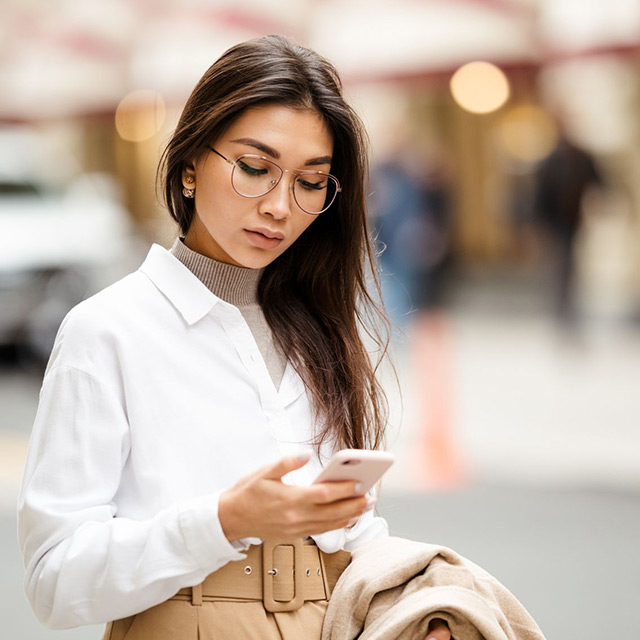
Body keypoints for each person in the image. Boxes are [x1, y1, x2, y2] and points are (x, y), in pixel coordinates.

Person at [17, 36, 451, 640]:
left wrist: (413, 612)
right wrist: (222, 522)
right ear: (191, 164)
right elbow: (54, 582)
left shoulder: (319, 328)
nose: (279, 206)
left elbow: (353, 538)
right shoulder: (108, 330)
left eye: (310, 181)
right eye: (254, 168)